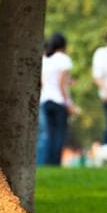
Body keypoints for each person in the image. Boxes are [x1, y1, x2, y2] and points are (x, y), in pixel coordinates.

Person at [37, 33, 76, 166]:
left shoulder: (45, 59)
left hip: (45, 100)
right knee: (59, 134)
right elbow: (62, 84)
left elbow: (43, 82)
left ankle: (45, 163)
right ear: (63, 45)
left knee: (48, 134)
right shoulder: (64, 59)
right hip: (59, 101)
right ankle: (55, 163)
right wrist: (69, 104)